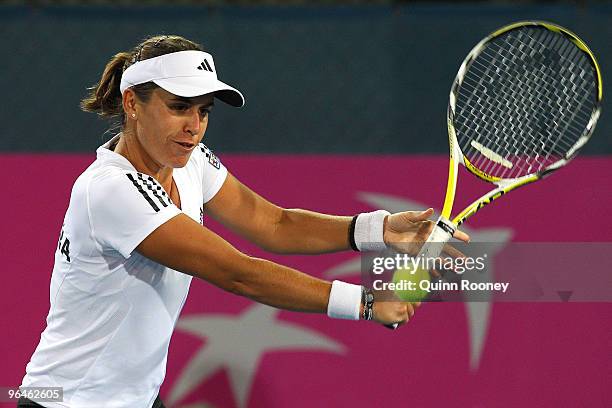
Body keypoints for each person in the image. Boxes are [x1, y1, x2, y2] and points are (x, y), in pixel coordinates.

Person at [19, 35, 469, 408]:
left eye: (203, 111)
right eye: (179, 107)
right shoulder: (111, 190)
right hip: (66, 399)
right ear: (133, 104)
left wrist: (378, 230)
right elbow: (240, 273)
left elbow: (272, 223)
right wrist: (365, 303)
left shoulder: (191, 163)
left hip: (135, 398)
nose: (194, 126)